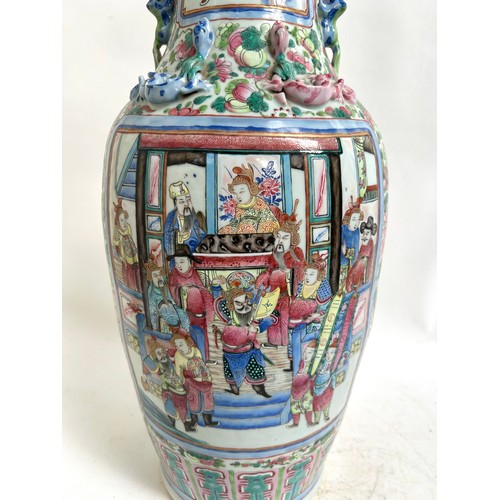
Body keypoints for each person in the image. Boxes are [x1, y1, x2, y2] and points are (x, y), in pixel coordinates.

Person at [255, 201, 304, 347]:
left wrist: (290, 272)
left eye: (285, 238)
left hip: (287, 295)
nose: (281, 241)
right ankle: (273, 341)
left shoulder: (296, 253)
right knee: (272, 317)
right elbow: (269, 270)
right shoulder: (275, 253)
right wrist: (263, 279)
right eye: (279, 237)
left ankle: (285, 342)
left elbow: (301, 271)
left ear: (292, 240)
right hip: (273, 293)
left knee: (284, 319)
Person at [167, 243, 223, 362]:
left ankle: (205, 358)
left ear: (189, 262)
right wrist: (182, 290)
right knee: (194, 336)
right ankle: (197, 359)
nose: (179, 265)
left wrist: (212, 287)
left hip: (201, 313)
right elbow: (172, 290)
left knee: (203, 336)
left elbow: (202, 289)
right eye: (176, 263)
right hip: (187, 314)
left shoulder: (194, 273)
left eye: (182, 262)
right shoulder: (174, 275)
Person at [214, 286, 272, 398]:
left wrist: (257, 328)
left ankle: (260, 390)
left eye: (246, 301)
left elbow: (269, 319)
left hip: (248, 351)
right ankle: (234, 390)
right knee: (230, 373)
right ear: (231, 305)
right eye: (239, 303)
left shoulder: (255, 313)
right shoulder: (230, 314)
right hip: (229, 352)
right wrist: (222, 286)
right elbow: (221, 302)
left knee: (256, 371)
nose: (245, 305)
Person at [287, 254, 333, 375]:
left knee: (303, 342)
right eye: (306, 274)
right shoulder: (302, 285)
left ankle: (305, 365)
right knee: (291, 341)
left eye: (312, 274)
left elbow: (325, 309)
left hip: (311, 322)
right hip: (295, 320)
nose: (307, 277)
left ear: (319, 276)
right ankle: (293, 364)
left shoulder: (322, 287)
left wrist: (314, 316)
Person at [144, 337, 195, 432]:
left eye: (163, 352)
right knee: (171, 408)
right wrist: (152, 353)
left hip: (180, 390)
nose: (162, 355)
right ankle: (171, 427)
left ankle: (187, 427)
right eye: (159, 354)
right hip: (169, 390)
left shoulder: (168, 360)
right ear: (154, 355)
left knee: (185, 409)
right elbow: (147, 360)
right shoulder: (158, 365)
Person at [171, 328, 219, 428]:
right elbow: (179, 372)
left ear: (187, 343)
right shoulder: (178, 355)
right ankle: (194, 421)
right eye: (177, 346)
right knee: (193, 401)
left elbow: (201, 365)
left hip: (202, 379)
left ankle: (208, 420)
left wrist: (206, 377)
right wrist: (181, 384)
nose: (179, 348)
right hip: (190, 382)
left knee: (207, 401)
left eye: (181, 344)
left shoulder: (195, 351)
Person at [218, 164, 279, 235]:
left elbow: (267, 220)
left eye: (241, 192)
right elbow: (236, 222)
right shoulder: (239, 207)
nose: (238, 196)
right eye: (235, 193)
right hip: (242, 237)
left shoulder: (259, 203)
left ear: (251, 189)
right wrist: (228, 229)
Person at [144, 259, 190, 332]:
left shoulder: (167, 284)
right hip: (163, 314)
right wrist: (155, 329)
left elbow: (175, 290)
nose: (159, 278)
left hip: (174, 308)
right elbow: (152, 311)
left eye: (160, 275)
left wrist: (182, 288)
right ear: (151, 279)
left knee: (184, 316)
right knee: (165, 308)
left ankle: (186, 333)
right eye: (155, 276)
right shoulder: (151, 291)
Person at [164, 181, 206, 259]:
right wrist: (178, 236)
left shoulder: (193, 216)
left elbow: (198, 236)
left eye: (188, 200)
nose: (186, 204)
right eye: (182, 202)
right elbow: (168, 239)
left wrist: (189, 246)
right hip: (176, 257)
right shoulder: (171, 218)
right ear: (175, 204)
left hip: (191, 256)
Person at [112, 198, 141, 290]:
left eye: (124, 219)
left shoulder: (128, 227)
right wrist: (121, 257)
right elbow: (116, 246)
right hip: (124, 255)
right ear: (117, 221)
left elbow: (131, 239)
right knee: (129, 272)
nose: (124, 222)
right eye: (121, 220)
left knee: (136, 269)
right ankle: (131, 288)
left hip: (132, 252)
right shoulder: (117, 231)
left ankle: (138, 287)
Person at [287, 341, 318, 428]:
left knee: (307, 404)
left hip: (306, 387)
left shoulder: (313, 366)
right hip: (296, 387)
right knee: (294, 405)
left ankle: (309, 422)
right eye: (305, 352)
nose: (306, 355)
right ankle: (295, 423)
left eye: (310, 353)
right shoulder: (302, 363)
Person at [346, 216, 377, 292]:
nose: (364, 236)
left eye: (367, 233)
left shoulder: (368, 252)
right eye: (364, 233)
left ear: (371, 235)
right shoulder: (363, 248)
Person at [339, 197, 364, 291]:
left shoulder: (356, 231)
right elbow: (341, 247)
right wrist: (346, 251)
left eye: (358, 220)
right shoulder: (343, 229)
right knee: (342, 281)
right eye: (354, 219)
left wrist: (354, 260)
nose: (356, 223)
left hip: (353, 261)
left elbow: (356, 248)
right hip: (343, 262)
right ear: (348, 219)